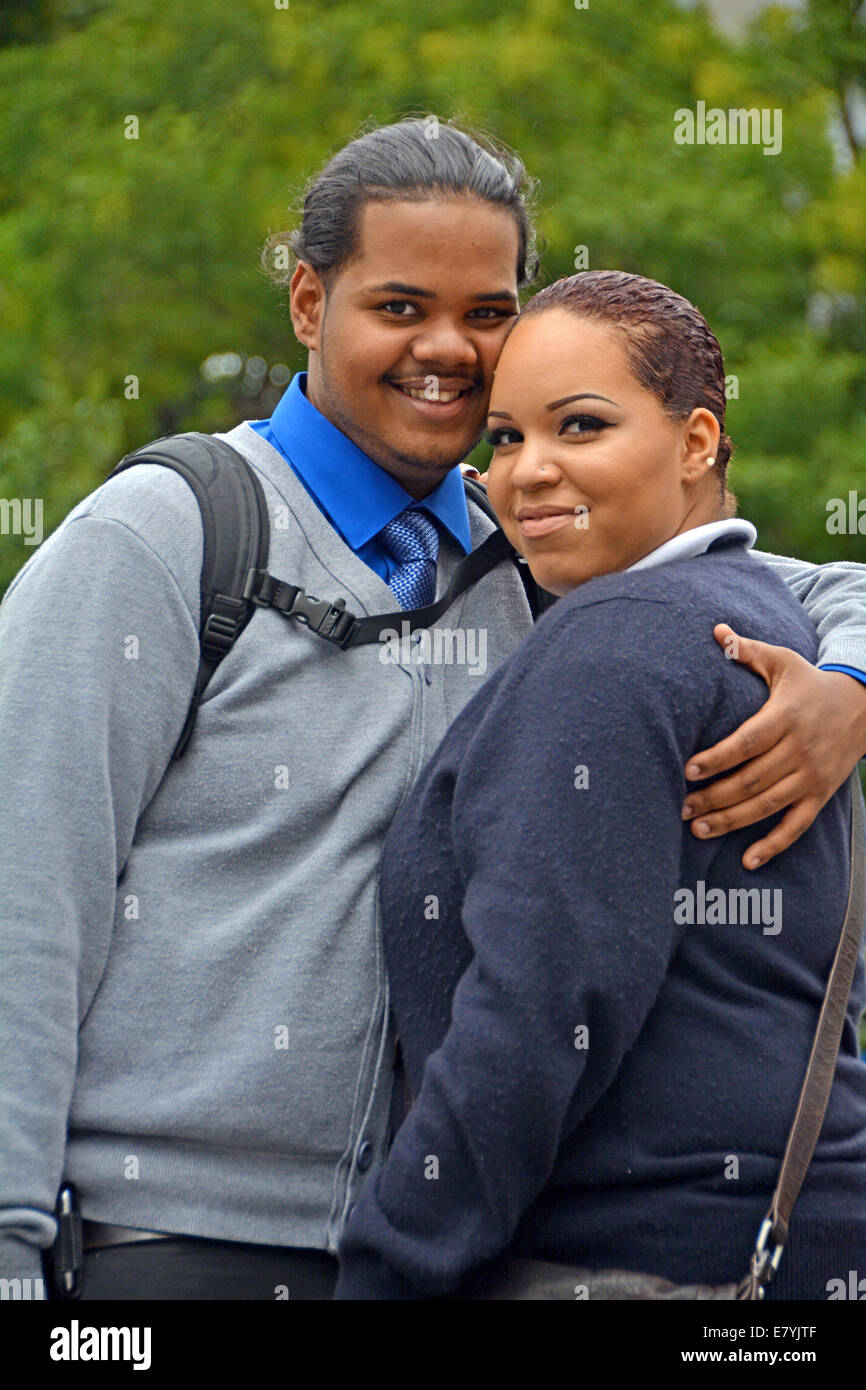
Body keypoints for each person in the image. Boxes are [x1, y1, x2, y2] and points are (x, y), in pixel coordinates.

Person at [1, 121, 865, 1303]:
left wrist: (848, 687)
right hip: (163, 1243)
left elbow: (789, 580)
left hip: (425, 1245)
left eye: (488, 311)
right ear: (309, 303)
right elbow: (23, 900)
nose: (448, 349)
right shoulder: (167, 538)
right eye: (400, 307)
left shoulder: (528, 547)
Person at [333, 270, 866, 1301]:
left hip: (641, 1253)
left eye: (578, 427)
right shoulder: (760, 623)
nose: (528, 471)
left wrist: (392, 1261)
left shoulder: (616, 640)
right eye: (503, 438)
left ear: (697, 442)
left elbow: (535, 1006)